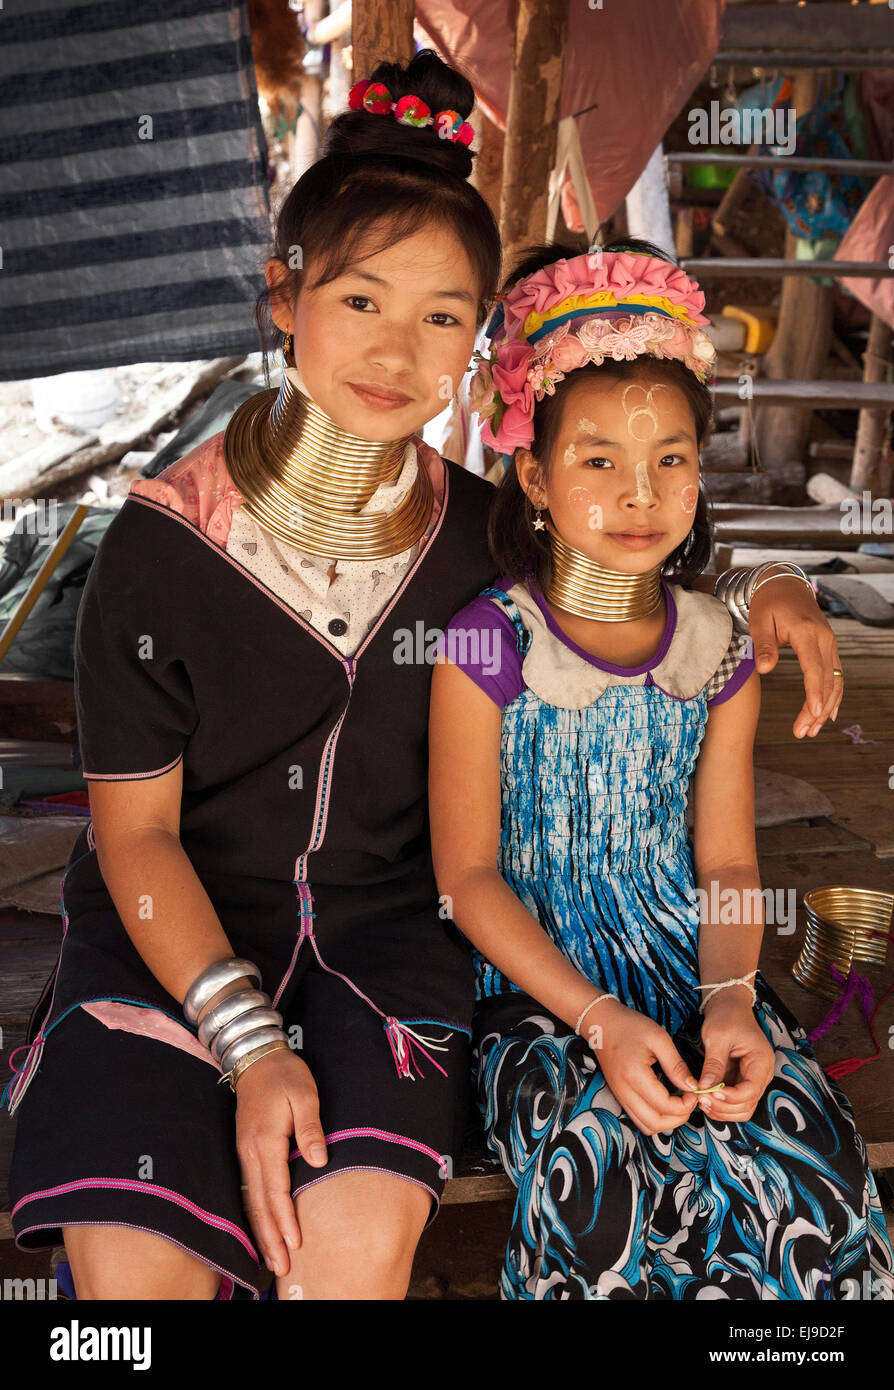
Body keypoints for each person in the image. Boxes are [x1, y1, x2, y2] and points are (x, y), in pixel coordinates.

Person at [4, 47, 843, 1300]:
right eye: (361, 301)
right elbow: (134, 841)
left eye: (444, 315)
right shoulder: (162, 547)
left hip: (380, 950)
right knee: (131, 1293)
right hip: (163, 943)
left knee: (350, 1264)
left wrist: (771, 589)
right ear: (284, 297)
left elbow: (623, 561)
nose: (398, 349)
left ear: (476, 349)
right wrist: (247, 1046)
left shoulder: (480, 536)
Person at [428, 238, 894, 1301]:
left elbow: (727, 857)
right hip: (538, 991)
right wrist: (597, 1019)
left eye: (671, 458)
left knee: (807, 1180)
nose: (639, 492)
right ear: (536, 475)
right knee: (603, 1197)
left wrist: (730, 1001)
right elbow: (467, 879)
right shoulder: (486, 648)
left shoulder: (717, 654)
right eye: (597, 460)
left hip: (694, 965)